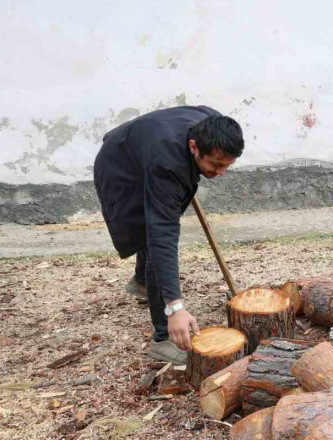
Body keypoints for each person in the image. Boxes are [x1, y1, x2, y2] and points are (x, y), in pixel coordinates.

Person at [93, 106, 244, 365]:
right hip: (119, 165)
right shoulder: (168, 164)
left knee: (154, 224)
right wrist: (175, 307)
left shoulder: (213, 124)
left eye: (227, 165)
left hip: (143, 145)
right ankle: (163, 338)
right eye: (216, 165)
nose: (222, 173)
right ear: (194, 146)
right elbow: (162, 234)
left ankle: (142, 282)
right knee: (151, 234)